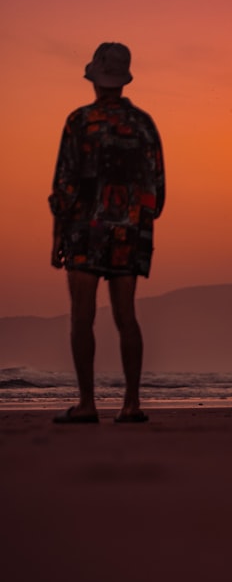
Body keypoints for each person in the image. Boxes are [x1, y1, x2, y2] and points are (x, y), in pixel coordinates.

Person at [49, 43, 165, 424]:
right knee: (126, 317)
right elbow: (157, 191)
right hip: (129, 233)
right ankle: (131, 404)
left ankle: (87, 404)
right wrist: (137, 221)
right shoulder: (145, 125)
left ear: (96, 79)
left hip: (84, 231)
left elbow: (65, 187)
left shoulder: (80, 122)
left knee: (82, 317)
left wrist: (58, 237)